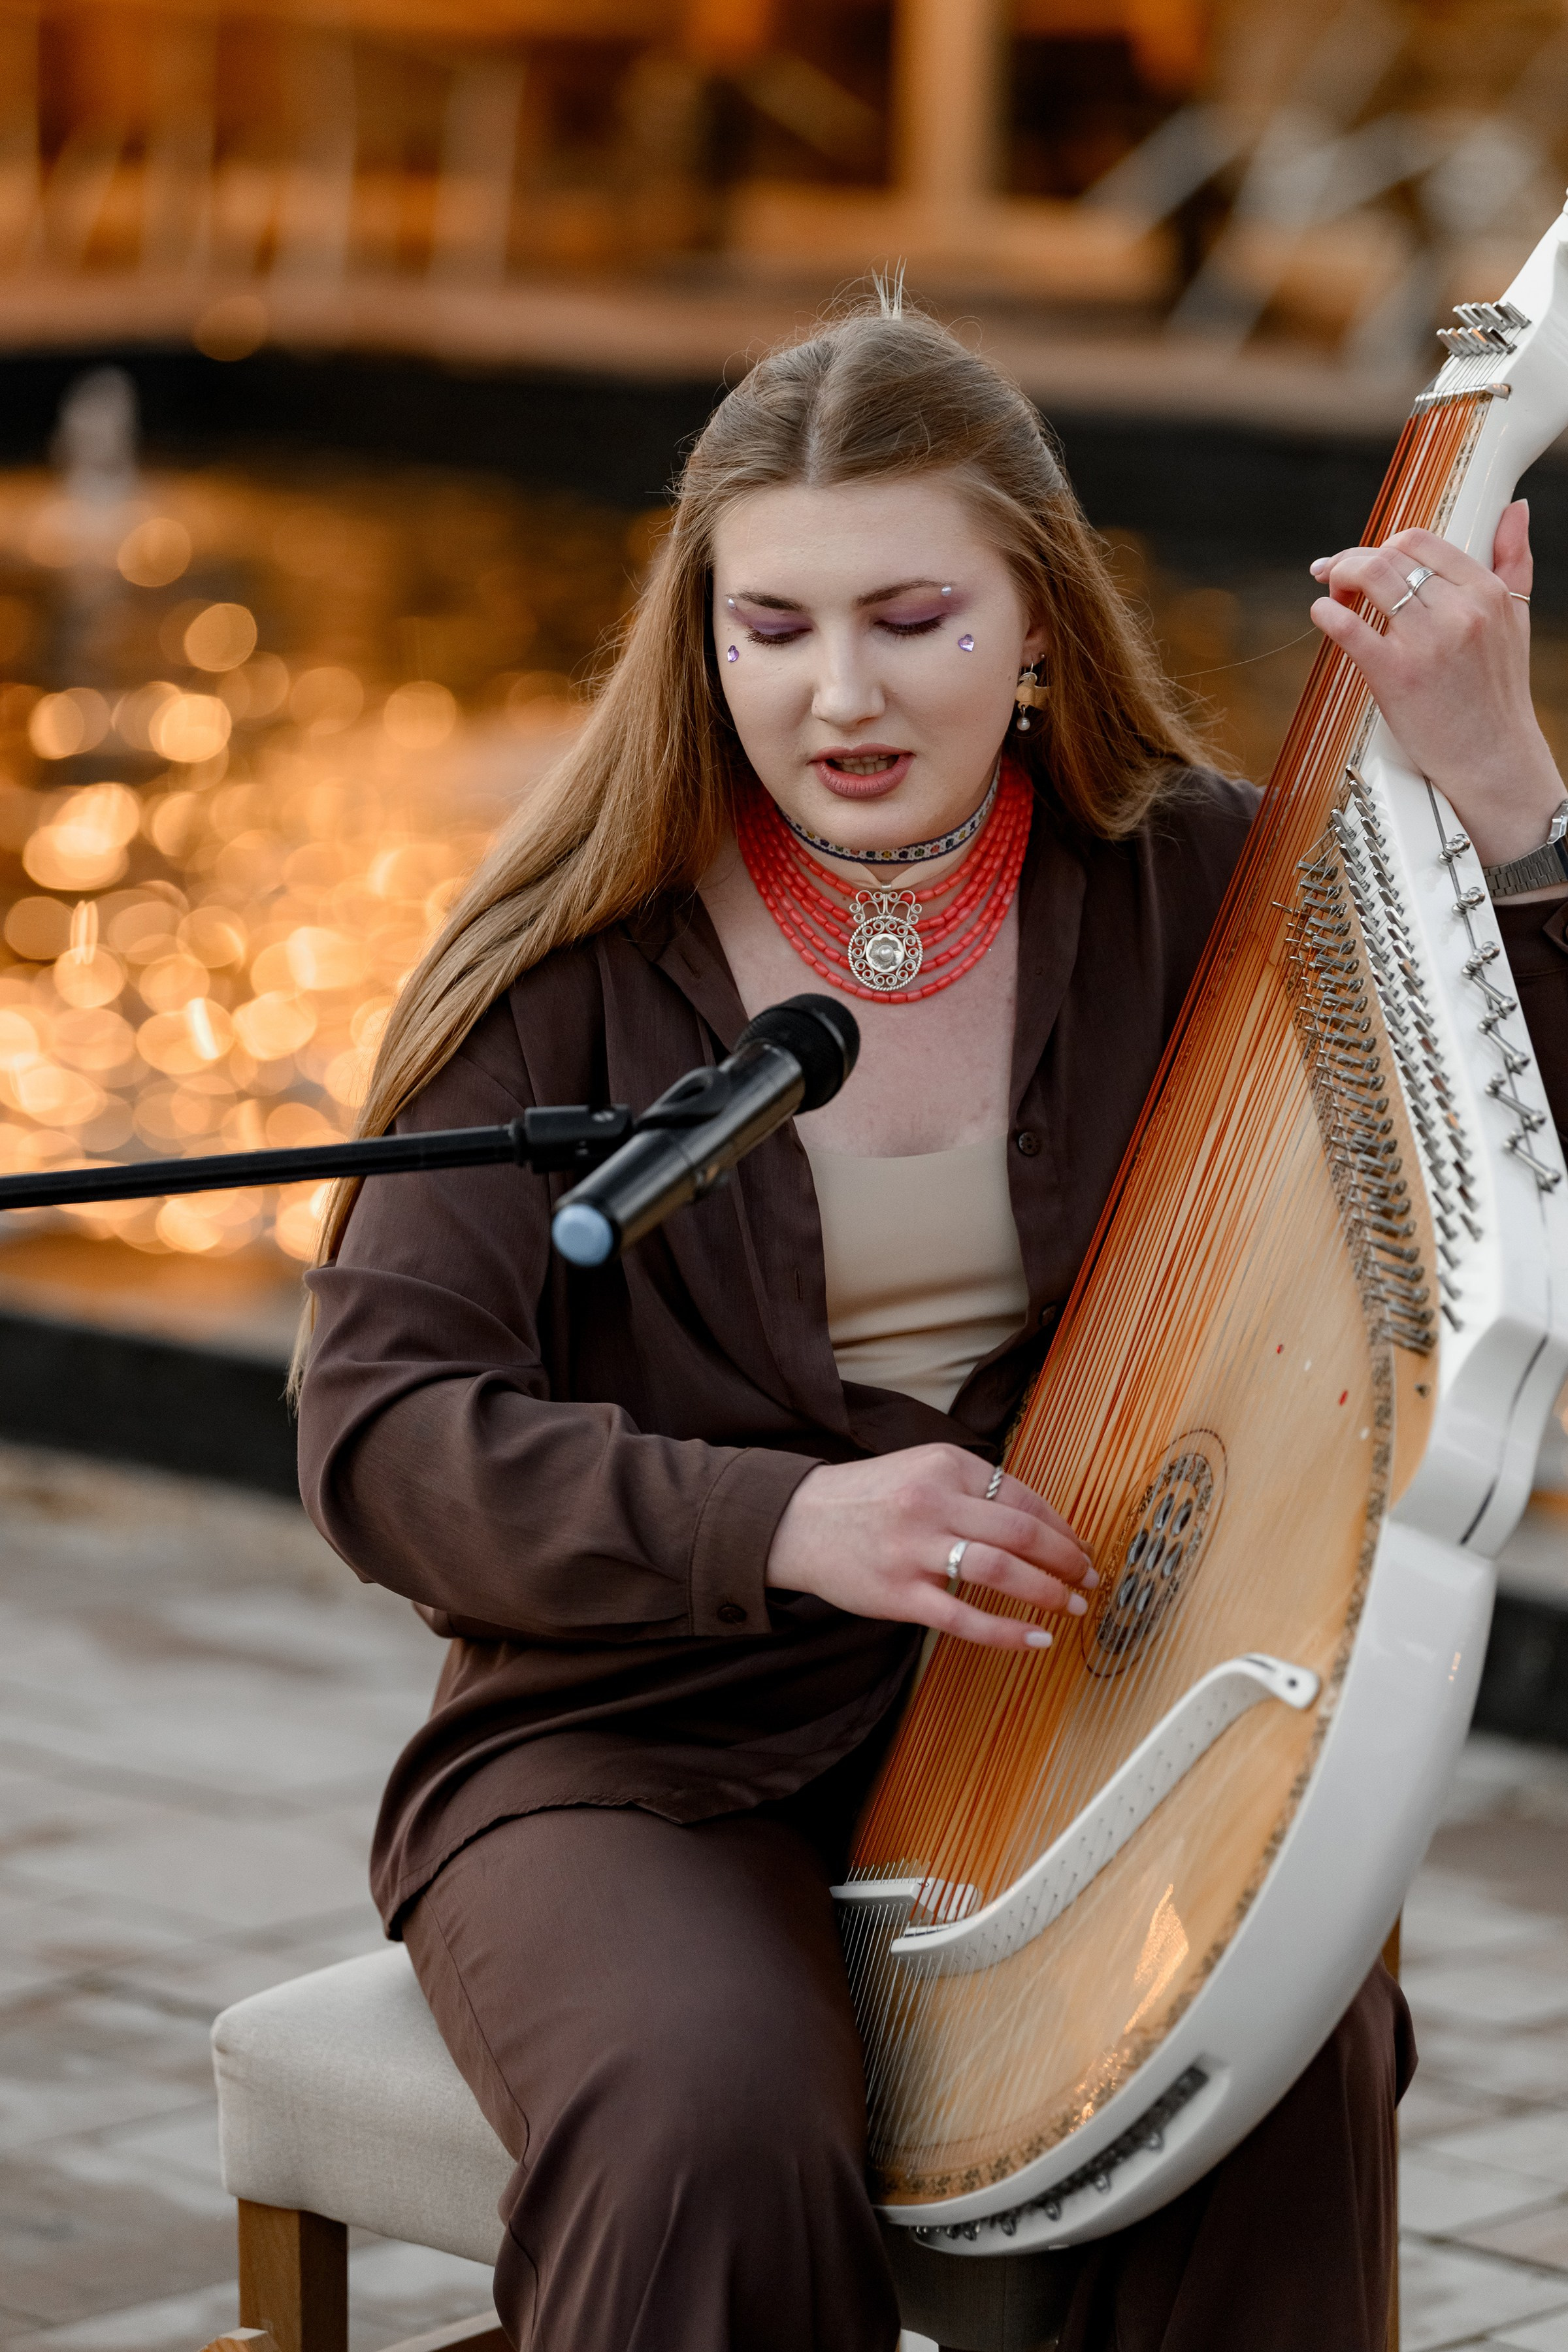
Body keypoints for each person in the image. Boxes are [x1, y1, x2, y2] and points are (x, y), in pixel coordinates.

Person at [295, 296, 1568, 2352]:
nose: (841, 694)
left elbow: (1513, 1164)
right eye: (773, 628)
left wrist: (1507, 792)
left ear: (1044, 623)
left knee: (1283, 2075)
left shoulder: (1203, 894)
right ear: (701, 641)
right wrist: (785, 1524)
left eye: (913, 618)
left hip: (1081, 1725)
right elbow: (382, 1434)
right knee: (710, 2117)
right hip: (640, 1747)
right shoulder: (571, 960)